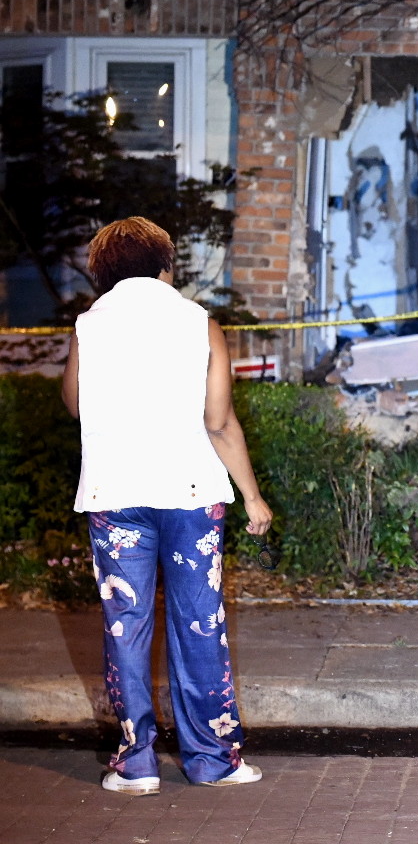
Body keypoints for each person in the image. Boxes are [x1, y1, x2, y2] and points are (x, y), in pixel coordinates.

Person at [62, 217, 273, 794]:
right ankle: (213, 761)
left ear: (102, 271)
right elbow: (219, 420)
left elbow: (77, 405)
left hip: (116, 497)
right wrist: (251, 496)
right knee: (199, 624)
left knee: (125, 626)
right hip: (190, 496)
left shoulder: (89, 325)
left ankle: (136, 763)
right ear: (166, 265)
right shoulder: (198, 323)